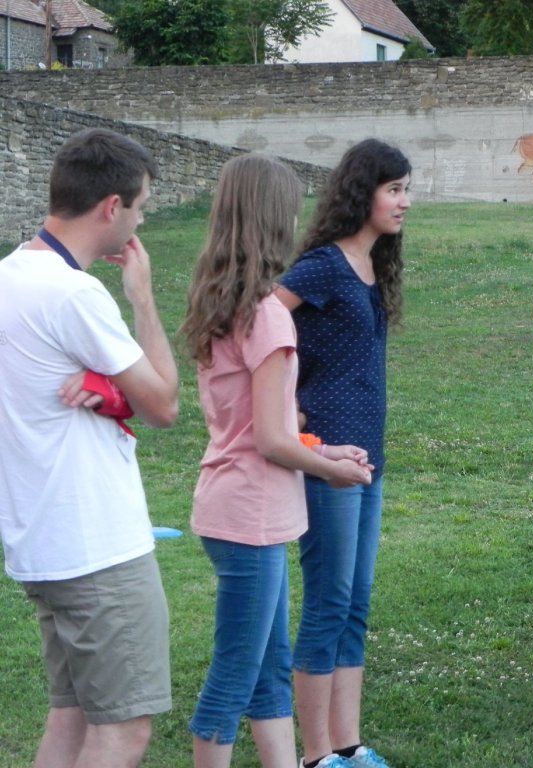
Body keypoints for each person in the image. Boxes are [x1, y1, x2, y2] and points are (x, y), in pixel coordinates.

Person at [179, 154, 374, 768]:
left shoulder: (223, 305)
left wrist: (322, 448)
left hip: (233, 507)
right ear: (272, 219)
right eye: (290, 210)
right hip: (252, 517)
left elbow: (263, 427)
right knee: (234, 677)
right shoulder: (264, 317)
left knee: (267, 670)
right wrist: (333, 471)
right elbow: (268, 440)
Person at [0, 128, 179, 768]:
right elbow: (164, 404)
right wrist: (143, 299)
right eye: (140, 207)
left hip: (40, 542)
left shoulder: (9, 276)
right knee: (124, 731)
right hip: (95, 547)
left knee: (72, 717)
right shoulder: (73, 292)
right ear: (111, 207)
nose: (140, 220)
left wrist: (105, 386)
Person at [275, 139, 411, 768]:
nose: (404, 202)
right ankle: (314, 754)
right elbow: (257, 324)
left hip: (367, 458)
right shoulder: (324, 265)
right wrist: (285, 410)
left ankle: (347, 744)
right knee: (329, 599)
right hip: (325, 460)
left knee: (354, 602)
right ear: (364, 193)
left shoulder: (371, 264)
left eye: (406, 189)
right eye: (394, 189)